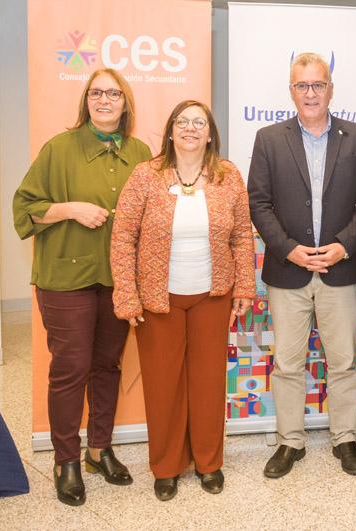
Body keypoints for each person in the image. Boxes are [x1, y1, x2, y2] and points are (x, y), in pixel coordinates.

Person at [12, 68, 151, 506]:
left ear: (126, 103)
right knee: (69, 369)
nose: (105, 100)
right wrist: (69, 208)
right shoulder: (60, 147)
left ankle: (99, 450)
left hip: (118, 279)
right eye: (96, 93)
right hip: (65, 279)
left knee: (107, 366)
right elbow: (26, 207)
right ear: (86, 101)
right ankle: (65, 461)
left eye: (113, 93)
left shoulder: (141, 152)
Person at [110, 100, 255, 500]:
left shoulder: (228, 176)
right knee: (163, 385)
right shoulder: (145, 176)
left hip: (213, 295)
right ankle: (167, 467)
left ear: (210, 133)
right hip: (158, 299)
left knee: (208, 384)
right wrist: (127, 294)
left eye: (199, 122)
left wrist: (244, 287)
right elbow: (123, 236)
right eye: (182, 121)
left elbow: (243, 235)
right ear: (171, 130)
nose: (190, 128)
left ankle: (209, 463)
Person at [248, 52, 356, 478]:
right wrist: (288, 249)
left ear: (330, 89)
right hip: (289, 271)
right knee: (287, 363)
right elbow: (259, 203)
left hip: (341, 269)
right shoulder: (269, 138)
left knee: (343, 361)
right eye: (301, 86)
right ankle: (290, 442)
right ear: (291, 91)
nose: (310, 93)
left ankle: (346, 438)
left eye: (317, 85)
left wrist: (343, 246)